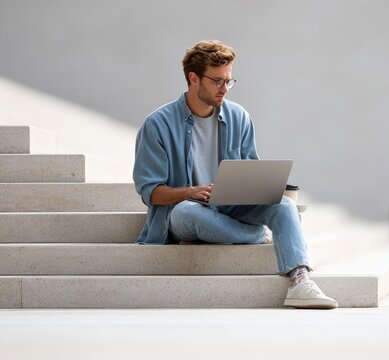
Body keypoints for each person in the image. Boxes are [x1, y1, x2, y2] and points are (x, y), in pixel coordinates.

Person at [133, 40, 337, 309]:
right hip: (184, 211)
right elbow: (151, 193)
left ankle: (300, 282)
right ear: (193, 78)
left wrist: (269, 188)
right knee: (188, 212)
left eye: (229, 81)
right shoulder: (157, 124)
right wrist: (190, 192)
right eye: (218, 81)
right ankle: (255, 235)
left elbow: (250, 169)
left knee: (285, 205)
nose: (224, 89)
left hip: (230, 205)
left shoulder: (239, 116)